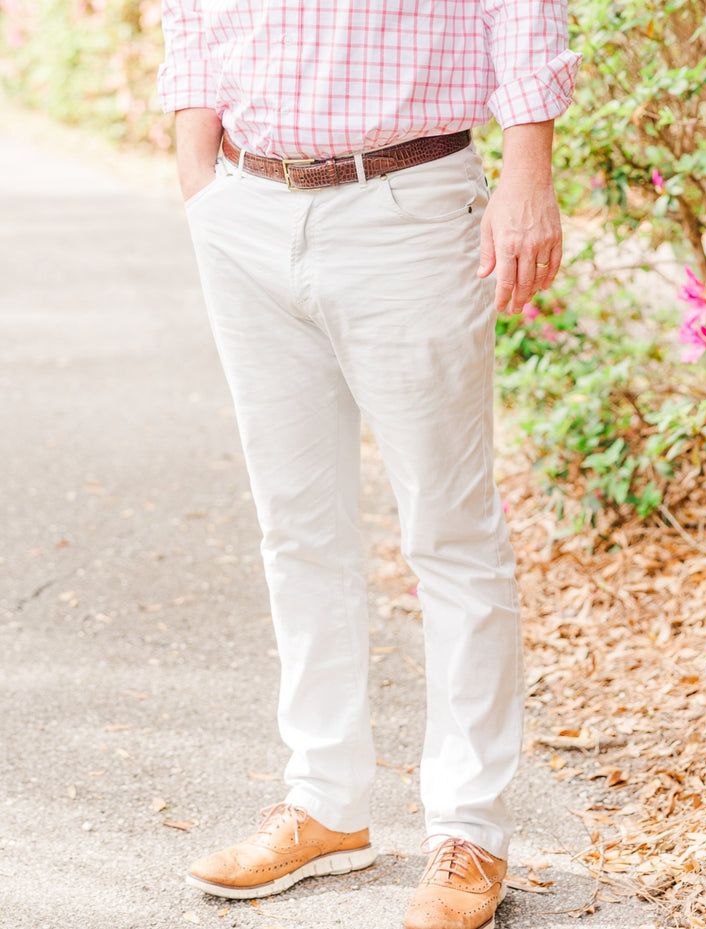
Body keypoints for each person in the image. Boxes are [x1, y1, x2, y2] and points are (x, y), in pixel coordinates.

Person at [158, 3, 579, 927]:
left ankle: (469, 826)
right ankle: (325, 801)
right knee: (296, 527)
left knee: (451, 534)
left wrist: (528, 171)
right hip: (246, 206)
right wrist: (200, 178)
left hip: (408, 204)